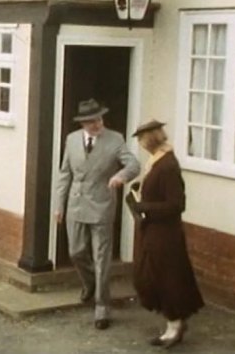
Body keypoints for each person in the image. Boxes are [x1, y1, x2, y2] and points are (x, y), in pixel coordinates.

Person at [54, 98, 140, 330]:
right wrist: (59, 205)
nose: (97, 124)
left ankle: (102, 306)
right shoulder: (71, 140)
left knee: (102, 258)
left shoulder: (115, 139)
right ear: (82, 123)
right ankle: (90, 283)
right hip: (75, 204)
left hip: (102, 206)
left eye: (99, 119)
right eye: (92, 121)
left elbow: (134, 164)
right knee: (76, 252)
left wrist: (120, 176)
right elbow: (64, 174)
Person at [128, 119, 204, 348]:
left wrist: (145, 207)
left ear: (150, 139)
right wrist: (139, 190)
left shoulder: (168, 165)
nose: (140, 144)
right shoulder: (156, 162)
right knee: (150, 277)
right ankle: (174, 320)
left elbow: (176, 204)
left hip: (166, 234)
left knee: (165, 278)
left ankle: (174, 325)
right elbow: (156, 190)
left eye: (141, 139)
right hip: (153, 230)